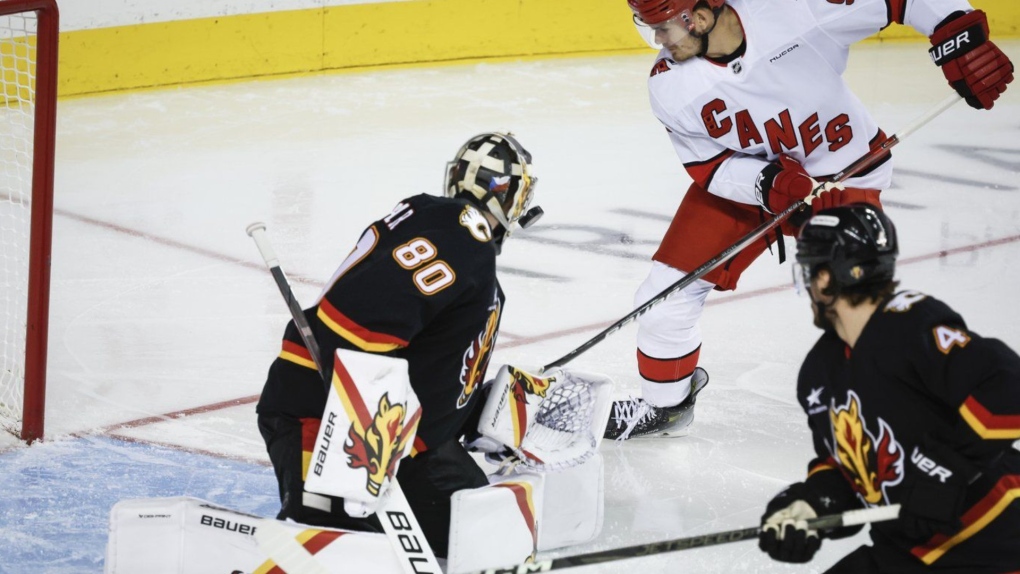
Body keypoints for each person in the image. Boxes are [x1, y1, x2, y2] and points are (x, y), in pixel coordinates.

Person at [605, 0, 1014, 439]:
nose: (659, 42)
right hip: (754, 189)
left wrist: (959, 35)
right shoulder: (670, 85)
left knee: (855, 303)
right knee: (664, 296)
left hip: (842, 179)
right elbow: (710, 167)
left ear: (700, 18)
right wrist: (769, 185)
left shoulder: (793, 11)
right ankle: (666, 406)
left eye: (664, 29)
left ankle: (944, 401)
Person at [255, 132, 543, 556]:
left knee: (494, 543)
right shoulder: (465, 237)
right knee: (332, 551)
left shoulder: (439, 225)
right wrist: (373, 425)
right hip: (327, 425)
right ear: (509, 195)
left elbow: (424, 360)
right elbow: (356, 324)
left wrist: (470, 412)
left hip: (400, 448)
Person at [758, 204, 1020, 573]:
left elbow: (1007, 387)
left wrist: (946, 469)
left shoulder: (911, 324)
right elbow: (847, 467)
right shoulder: (819, 372)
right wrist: (812, 504)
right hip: (906, 550)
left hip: (995, 543)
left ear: (826, 278)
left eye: (810, 271)